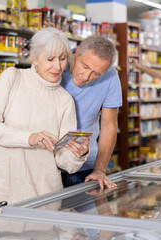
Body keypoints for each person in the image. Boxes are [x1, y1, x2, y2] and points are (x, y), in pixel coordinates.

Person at [0, 27, 90, 212]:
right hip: (4, 189)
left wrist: (78, 153)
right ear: (34, 57)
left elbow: (62, 158)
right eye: (50, 59)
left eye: (63, 58)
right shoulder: (12, 78)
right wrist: (30, 138)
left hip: (44, 193)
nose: (57, 66)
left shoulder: (65, 100)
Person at [61, 35, 123, 189]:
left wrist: (100, 169)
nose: (86, 77)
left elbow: (109, 125)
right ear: (77, 52)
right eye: (85, 66)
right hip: (49, 164)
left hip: (86, 165)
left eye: (96, 74)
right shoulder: (57, 63)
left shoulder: (111, 76)